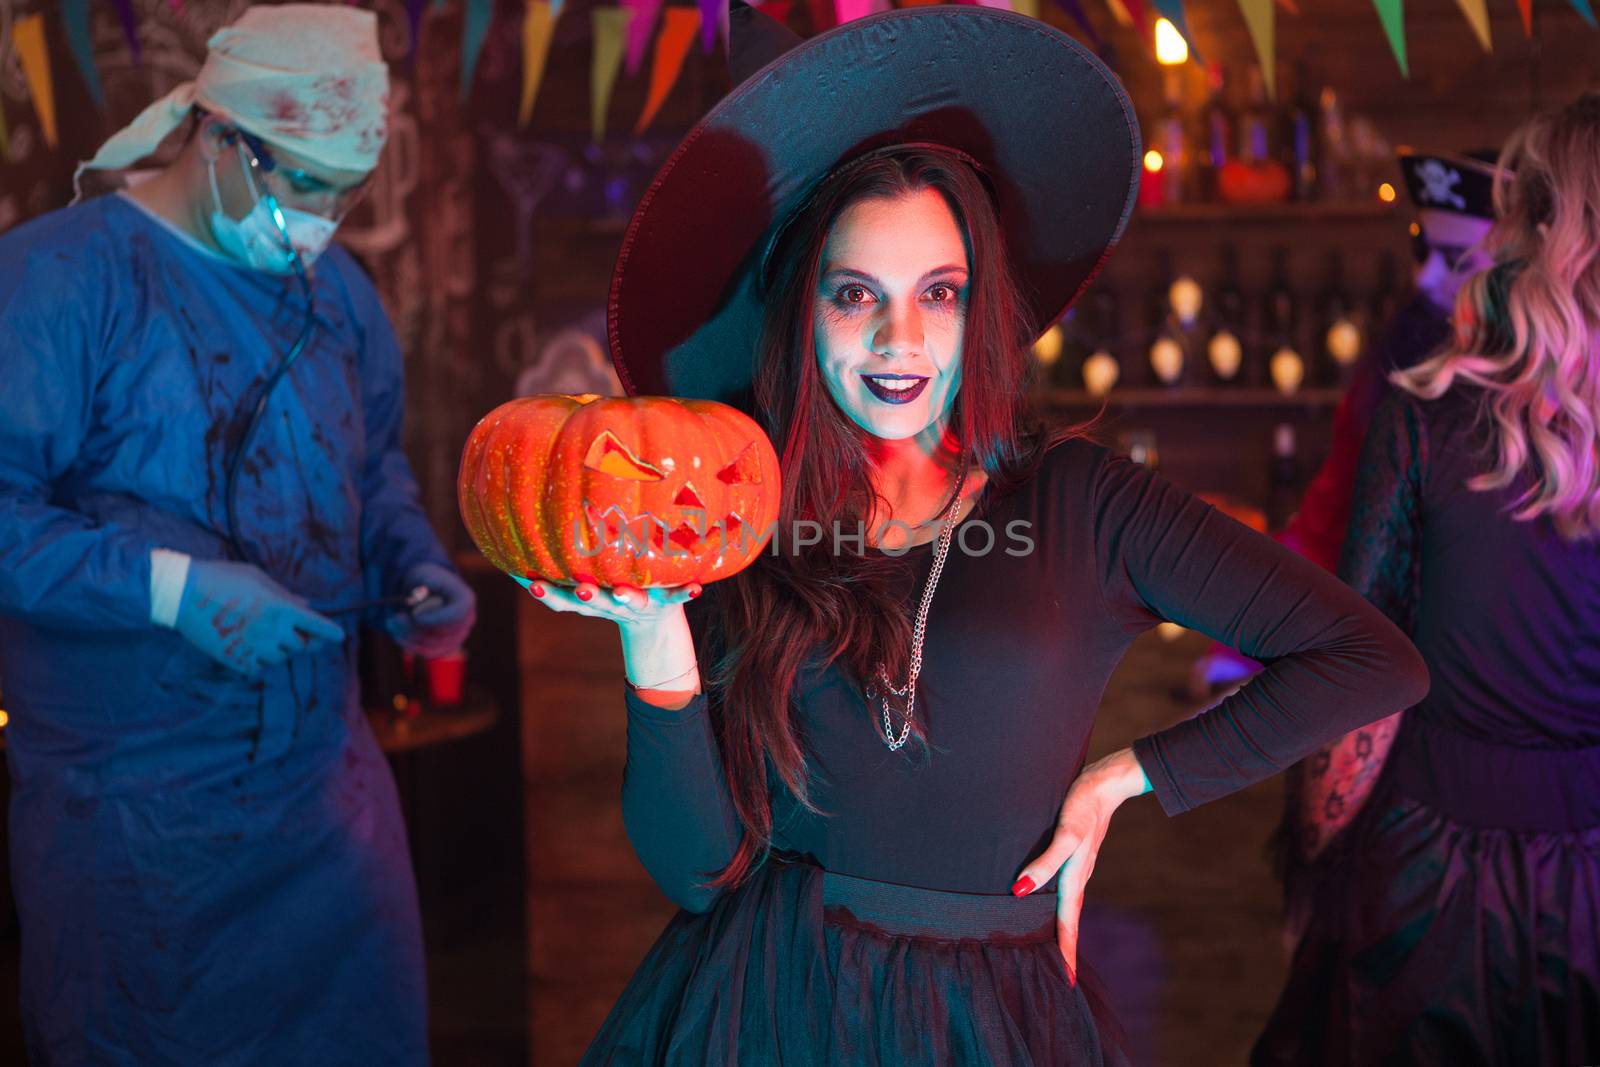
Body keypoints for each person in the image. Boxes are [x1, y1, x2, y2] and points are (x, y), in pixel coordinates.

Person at [523, 6, 1426, 1063]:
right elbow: (692, 869)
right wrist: (653, 635)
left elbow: (1373, 659)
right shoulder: (734, 513)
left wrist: (1124, 778)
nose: (899, 340)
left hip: (993, 1016)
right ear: (800, 312)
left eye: (937, 295)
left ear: (978, 307)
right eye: (854, 294)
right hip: (766, 1002)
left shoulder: (1087, 501)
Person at [0, 6, 474, 1063]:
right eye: (298, 182)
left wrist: (415, 561)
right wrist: (173, 590)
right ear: (218, 138)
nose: (319, 219)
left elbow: (371, 463)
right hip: (132, 824)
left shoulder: (337, 293)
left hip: (324, 803)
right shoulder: (59, 281)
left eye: (343, 191)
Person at [1253, 92, 1600, 1066]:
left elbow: (1360, 675)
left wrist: (1314, 865)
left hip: (1431, 874)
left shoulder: (1425, 410)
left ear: (1536, 228)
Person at [1191, 147, 1501, 698]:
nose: (1427, 277)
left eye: (1454, 262)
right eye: (1421, 252)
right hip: (1377, 688)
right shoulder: (1386, 377)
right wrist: (1243, 637)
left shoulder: (1544, 408)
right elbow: (1324, 526)